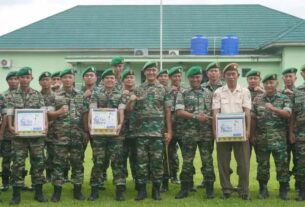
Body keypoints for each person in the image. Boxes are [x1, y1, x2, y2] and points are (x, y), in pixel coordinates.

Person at [128, 61, 172, 201]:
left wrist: (169, 131)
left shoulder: (164, 90)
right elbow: (130, 110)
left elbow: (167, 111)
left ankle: (156, 191)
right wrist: (132, 100)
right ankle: (141, 191)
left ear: (157, 72)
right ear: (144, 72)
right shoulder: (137, 89)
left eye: (153, 70)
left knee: (157, 162)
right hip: (141, 133)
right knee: (141, 162)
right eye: (148, 70)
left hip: (157, 133)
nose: (151, 73)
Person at [5, 67, 48, 205]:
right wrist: (11, 126)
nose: (24, 79)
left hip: (36, 137)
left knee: (38, 163)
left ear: (31, 78)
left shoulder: (37, 94)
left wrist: (45, 126)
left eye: (27, 77)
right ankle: (16, 194)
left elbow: (43, 113)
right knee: (18, 164)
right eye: (21, 77)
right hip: (18, 137)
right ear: (18, 79)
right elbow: (9, 113)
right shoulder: (12, 95)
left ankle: (39, 192)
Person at [175, 66, 215, 199]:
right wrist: (195, 116)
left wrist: (208, 117)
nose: (195, 79)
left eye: (197, 77)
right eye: (192, 77)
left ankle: (210, 189)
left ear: (201, 77)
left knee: (207, 161)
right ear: (189, 78)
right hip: (189, 134)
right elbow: (179, 111)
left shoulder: (209, 93)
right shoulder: (183, 93)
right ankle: (184, 189)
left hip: (206, 134)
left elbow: (215, 111)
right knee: (187, 161)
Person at [212, 63, 251, 200]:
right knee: (223, 162)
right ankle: (226, 189)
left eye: (233, 74)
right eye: (228, 74)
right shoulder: (218, 92)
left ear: (238, 76)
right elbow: (215, 112)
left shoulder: (245, 91)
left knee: (244, 163)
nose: (231, 76)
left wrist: (248, 130)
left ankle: (244, 190)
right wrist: (215, 131)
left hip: (240, 133)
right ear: (224, 76)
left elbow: (247, 112)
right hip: (223, 134)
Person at [48, 68, 88, 202]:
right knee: (58, 164)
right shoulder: (54, 95)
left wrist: (86, 131)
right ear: (61, 79)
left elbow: (85, 115)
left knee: (78, 163)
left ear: (73, 79)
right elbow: (48, 114)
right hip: (60, 136)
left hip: (77, 135)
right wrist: (58, 112)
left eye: (70, 77)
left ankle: (77, 191)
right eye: (64, 77)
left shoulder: (81, 95)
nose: (67, 80)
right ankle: (57, 192)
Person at [87, 68, 126, 201]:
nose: (110, 80)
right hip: (99, 134)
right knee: (98, 161)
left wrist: (120, 123)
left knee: (117, 161)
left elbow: (121, 110)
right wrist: (90, 124)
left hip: (116, 134)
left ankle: (120, 190)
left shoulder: (120, 94)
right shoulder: (96, 93)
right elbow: (92, 109)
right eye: (107, 78)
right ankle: (94, 190)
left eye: (112, 78)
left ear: (115, 80)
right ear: (103, 80)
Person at [252, 73, 291, 200]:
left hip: (279, 139)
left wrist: (274, 109)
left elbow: (287, 114)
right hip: (262, 139)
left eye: (271, 83)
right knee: (262, 165)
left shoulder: (284, 98)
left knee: (282, 165)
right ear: (263, 84)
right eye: (266, 83)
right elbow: (253, 118)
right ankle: (263, 189)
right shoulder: (257, 99)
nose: (268, 85)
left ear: (276, 84)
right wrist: (252, 134)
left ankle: (283, 190)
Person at [161, 66, 185, 192]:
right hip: (168, 128)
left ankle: (178, 178)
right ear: (170, 78)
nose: (177, 78)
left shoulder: (186, 91)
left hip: (184, 129)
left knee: (185, 156)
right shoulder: (165, 91)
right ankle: (164, 181)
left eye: (179, 76)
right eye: (174, 76)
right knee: (167, 155)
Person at [0, 71, 19, 192]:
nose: (13, 81)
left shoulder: (24, 94)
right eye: (10, 79)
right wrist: (1, 133)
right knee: (6, 159)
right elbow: (4, 114)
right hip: (7, 134)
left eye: (15, 79)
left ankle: (18, 182)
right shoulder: (3, 95)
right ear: (7, 81)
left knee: (19, 160)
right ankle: (5, 183)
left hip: (21, 133)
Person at [281, 67, 298, 191]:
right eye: (286, 76)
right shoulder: (278, 94)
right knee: (284, 160)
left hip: (298, 133)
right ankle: (285, 185)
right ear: (282, 79)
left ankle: (299, 184)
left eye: (290, 76)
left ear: (295, 78)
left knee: (299, 159)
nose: (288, 79)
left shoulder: (301, 93)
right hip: (281, 133)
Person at [121, 69, 137, 182]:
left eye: (131, 77)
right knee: (121, 157)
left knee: (136, 157)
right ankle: (121, 181)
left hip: (136, 130)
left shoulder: (139, 92)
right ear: (123, 80)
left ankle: (137, 180)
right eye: (127, 77)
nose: (129, 79)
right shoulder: (117, 92)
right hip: (121, 131)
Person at [39, 71, 55, 182]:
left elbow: (60, 113)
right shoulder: (36, 95)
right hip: (38, 131)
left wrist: (49, 124)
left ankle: (50, 176)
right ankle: (39, 176)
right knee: (39, 155)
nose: (45, 82)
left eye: (47, 79)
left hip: (54, 130)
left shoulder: (57, 96)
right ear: (39, 82)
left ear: (51, 81)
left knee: (52, 154)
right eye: (43, 80)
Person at [290, 87, 305, 201]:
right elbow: (293, 115)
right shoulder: (298, 92)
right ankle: (302, 191)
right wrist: (291, 132)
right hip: (301, 135)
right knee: (301, 164)